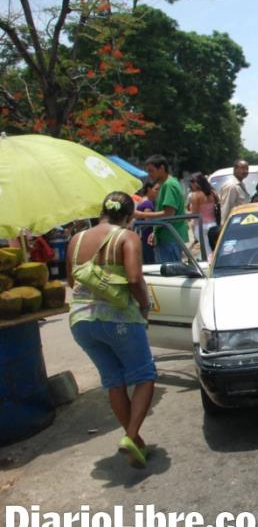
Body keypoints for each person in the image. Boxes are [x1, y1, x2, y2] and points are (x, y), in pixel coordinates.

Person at [66, 192, 155, 468]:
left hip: (80, 321)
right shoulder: (127, 237)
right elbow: (134, 278)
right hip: (120, 320)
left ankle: (135, 441)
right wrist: (144, 305)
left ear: (102, 211)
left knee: (114, 381)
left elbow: (71, 281)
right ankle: (130, 436)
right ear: (129, 217)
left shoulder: (75, 239)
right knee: (145, 375)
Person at [137, 154, 189, 264]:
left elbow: (168, 214)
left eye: (151, 171)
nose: (149, 175)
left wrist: (140, 215)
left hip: (170, 238)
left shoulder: (169, 185)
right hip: (167, 237)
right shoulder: (166, 184)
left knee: (171, 275)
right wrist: (155, 232)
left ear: (161, 168)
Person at [187, 173, 217, 259]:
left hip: (201, 226)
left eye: (192, 182)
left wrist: (184, 213)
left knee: (208, 252)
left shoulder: (196, 195)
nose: (191, 185)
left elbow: (194, 214)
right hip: (214, 224)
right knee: (214, 249)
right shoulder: (213, 193)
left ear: (196, 183)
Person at [219, 159, 250, 224]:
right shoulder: (231, 186)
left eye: (247, 169)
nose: (245, 171)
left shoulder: (241, 184)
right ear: (235, 170)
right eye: (242, 168)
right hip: (234, 224)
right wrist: (225, 229)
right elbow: (226, 208)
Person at [136, 182, 160, 265]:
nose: (158, 192)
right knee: (151, 262)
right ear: (149, 189)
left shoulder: (142, 200)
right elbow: (148, 222)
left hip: (142, 237)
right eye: (156, 189)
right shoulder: (148, 204)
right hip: (148, 237)